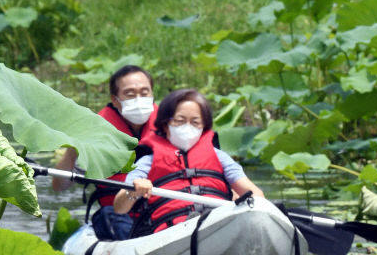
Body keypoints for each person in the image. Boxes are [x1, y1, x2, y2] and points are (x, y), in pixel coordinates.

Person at [113, 88, 263, 233]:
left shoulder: (219, 156)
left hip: (218, 224)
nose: (188, 127)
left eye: (195, 122)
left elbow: (255, 194)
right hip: (170, 231)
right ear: (165, 124)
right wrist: (132, 190)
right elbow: (119, 207)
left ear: (203, 126)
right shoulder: (147, 161)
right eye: (180, 120)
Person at [54, 64, 158, 241]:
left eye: (144, 92)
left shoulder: (169, 126)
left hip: (160, 210)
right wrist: (73, 148)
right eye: (130, 94)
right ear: (115, 99)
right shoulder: (97, 134)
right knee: (111, 216)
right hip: (118, 215)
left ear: (152, 95)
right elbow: (60, 186)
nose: (139, 99)